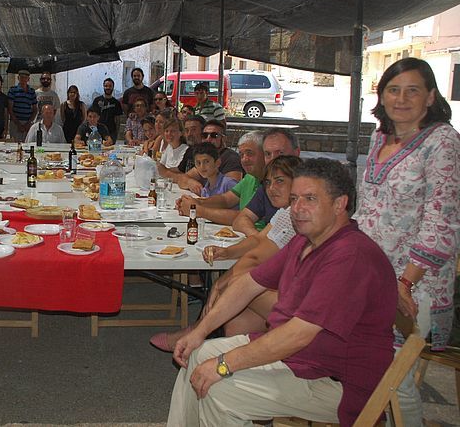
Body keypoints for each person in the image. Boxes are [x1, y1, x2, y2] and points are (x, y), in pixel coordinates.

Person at [167, 159, 397, 426]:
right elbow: (249, 283)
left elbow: (298, 334)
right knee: (198, 355)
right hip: (304, 361)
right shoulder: (306, 240)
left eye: (310, 199)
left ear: (340, 204)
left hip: (339, 383)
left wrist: (223, 365)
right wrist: (199, 331)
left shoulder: (349, 255)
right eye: (295, 198)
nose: (297, 208)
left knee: (219, 387)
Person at [355, 57, 459, 425]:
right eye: (393, 90)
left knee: (391, 373)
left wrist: (404, 284)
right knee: (361, 363)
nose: (401, 98)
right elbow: (367, 206)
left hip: (414, 282)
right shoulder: (379, 135)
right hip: (369, 273)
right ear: (381, 95)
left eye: (412, 90)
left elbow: (441, 223)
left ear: (430, 97)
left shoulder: (443, 142)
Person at [151, 155, 301, 353]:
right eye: (268, 182)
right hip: (283, 287)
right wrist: (226, 252)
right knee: (236, 320)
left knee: (235, 285)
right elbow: (258, 241)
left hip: (300, 301)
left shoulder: (296, 214)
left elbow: (257, 255)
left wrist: (220, 284)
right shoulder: (284, 212)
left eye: (279, 181)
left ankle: (196, 332)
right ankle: (233, 364)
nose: (271, 188)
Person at [176, 131, 264, 226]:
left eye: (249, 153)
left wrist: (197, 210)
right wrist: (196, 202)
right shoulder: (250, 178)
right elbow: (225, 200)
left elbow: (244, 217)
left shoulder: (271, 184)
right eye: (241, 155)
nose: (244, 159)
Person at [232, 129, 300, 236]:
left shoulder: (308, 187)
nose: (273, 159)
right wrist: (260, 239)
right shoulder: (268, 185)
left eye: (280, 153)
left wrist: (262, 242)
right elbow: (240, 220)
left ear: (297, 153)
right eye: (268, 154)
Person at [165, 120, 242, 193]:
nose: (208, 139)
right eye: (204, 135)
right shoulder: (203, 158)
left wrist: (200, 203)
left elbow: (232, 195)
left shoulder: (231, 158)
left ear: (224, 139)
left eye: (214, 135)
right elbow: (182, 180)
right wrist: (190, 182)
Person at [7, 70, 38, 142]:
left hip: (28, 122)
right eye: (21, 77)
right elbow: (10, 109)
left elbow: (35, 109)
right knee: (15, 145)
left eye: (25, 77)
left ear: (28, 79)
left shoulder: (32, 91)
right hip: (15, 123)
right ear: (18, 78)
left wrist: (29, 123)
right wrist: (18, 124)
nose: (23, 79)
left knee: (27, 144)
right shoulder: (13, 90)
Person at [90, 78, 123, 142]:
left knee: (110, 150)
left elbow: (118, 119)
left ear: (113, 87)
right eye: (106, 86)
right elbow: (92, 115)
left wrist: (116, 132)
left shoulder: (116, 103)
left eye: (110, 86)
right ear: (103, 87)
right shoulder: (97, 100)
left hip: (111, 131)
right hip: (98, 131)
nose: (108, 88)